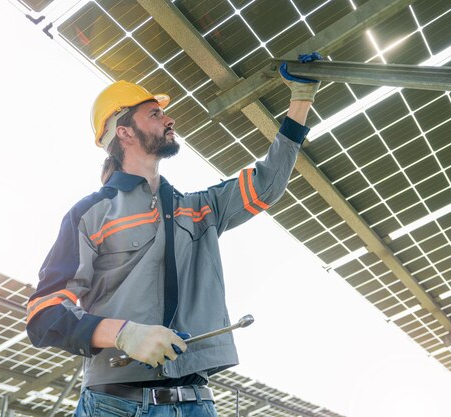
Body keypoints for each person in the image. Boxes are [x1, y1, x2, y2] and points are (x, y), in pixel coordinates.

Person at [26, 54, 322, 417]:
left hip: (196, 404)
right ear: (125, 132)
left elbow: (267, 186)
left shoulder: (200, 209)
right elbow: (44, 313)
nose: (169, 119)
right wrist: (122, 334)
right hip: (116, 404)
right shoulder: (92, 213)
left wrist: (301, 101)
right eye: (154, 114)